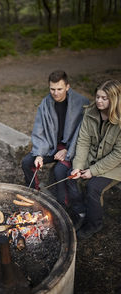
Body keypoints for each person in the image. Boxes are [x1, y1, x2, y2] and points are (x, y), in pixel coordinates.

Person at [21, 70, 89, 207]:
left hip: (72, 148)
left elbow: (82, 134)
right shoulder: (45, 104)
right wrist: (39, 154)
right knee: (27, 162)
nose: (55, 93)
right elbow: (38, 130)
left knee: (60, 171)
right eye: (52, 89)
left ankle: (63, 205)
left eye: (59, 89)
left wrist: (67, 151)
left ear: (67, 87)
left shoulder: (82, 103)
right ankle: (35, 194)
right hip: (51, 146)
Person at [68, 79, 121, 239]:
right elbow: (83, 142)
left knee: (93, 188)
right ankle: (80, 212)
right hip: (93, 157)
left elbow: (118, 154)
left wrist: (93, 171)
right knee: (71, 176)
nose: (99, 101)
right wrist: (78, 166)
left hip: (115, 165)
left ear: (114, 99)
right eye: (98, 96)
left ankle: (94, 224)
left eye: (104, 98)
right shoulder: (90, 113)